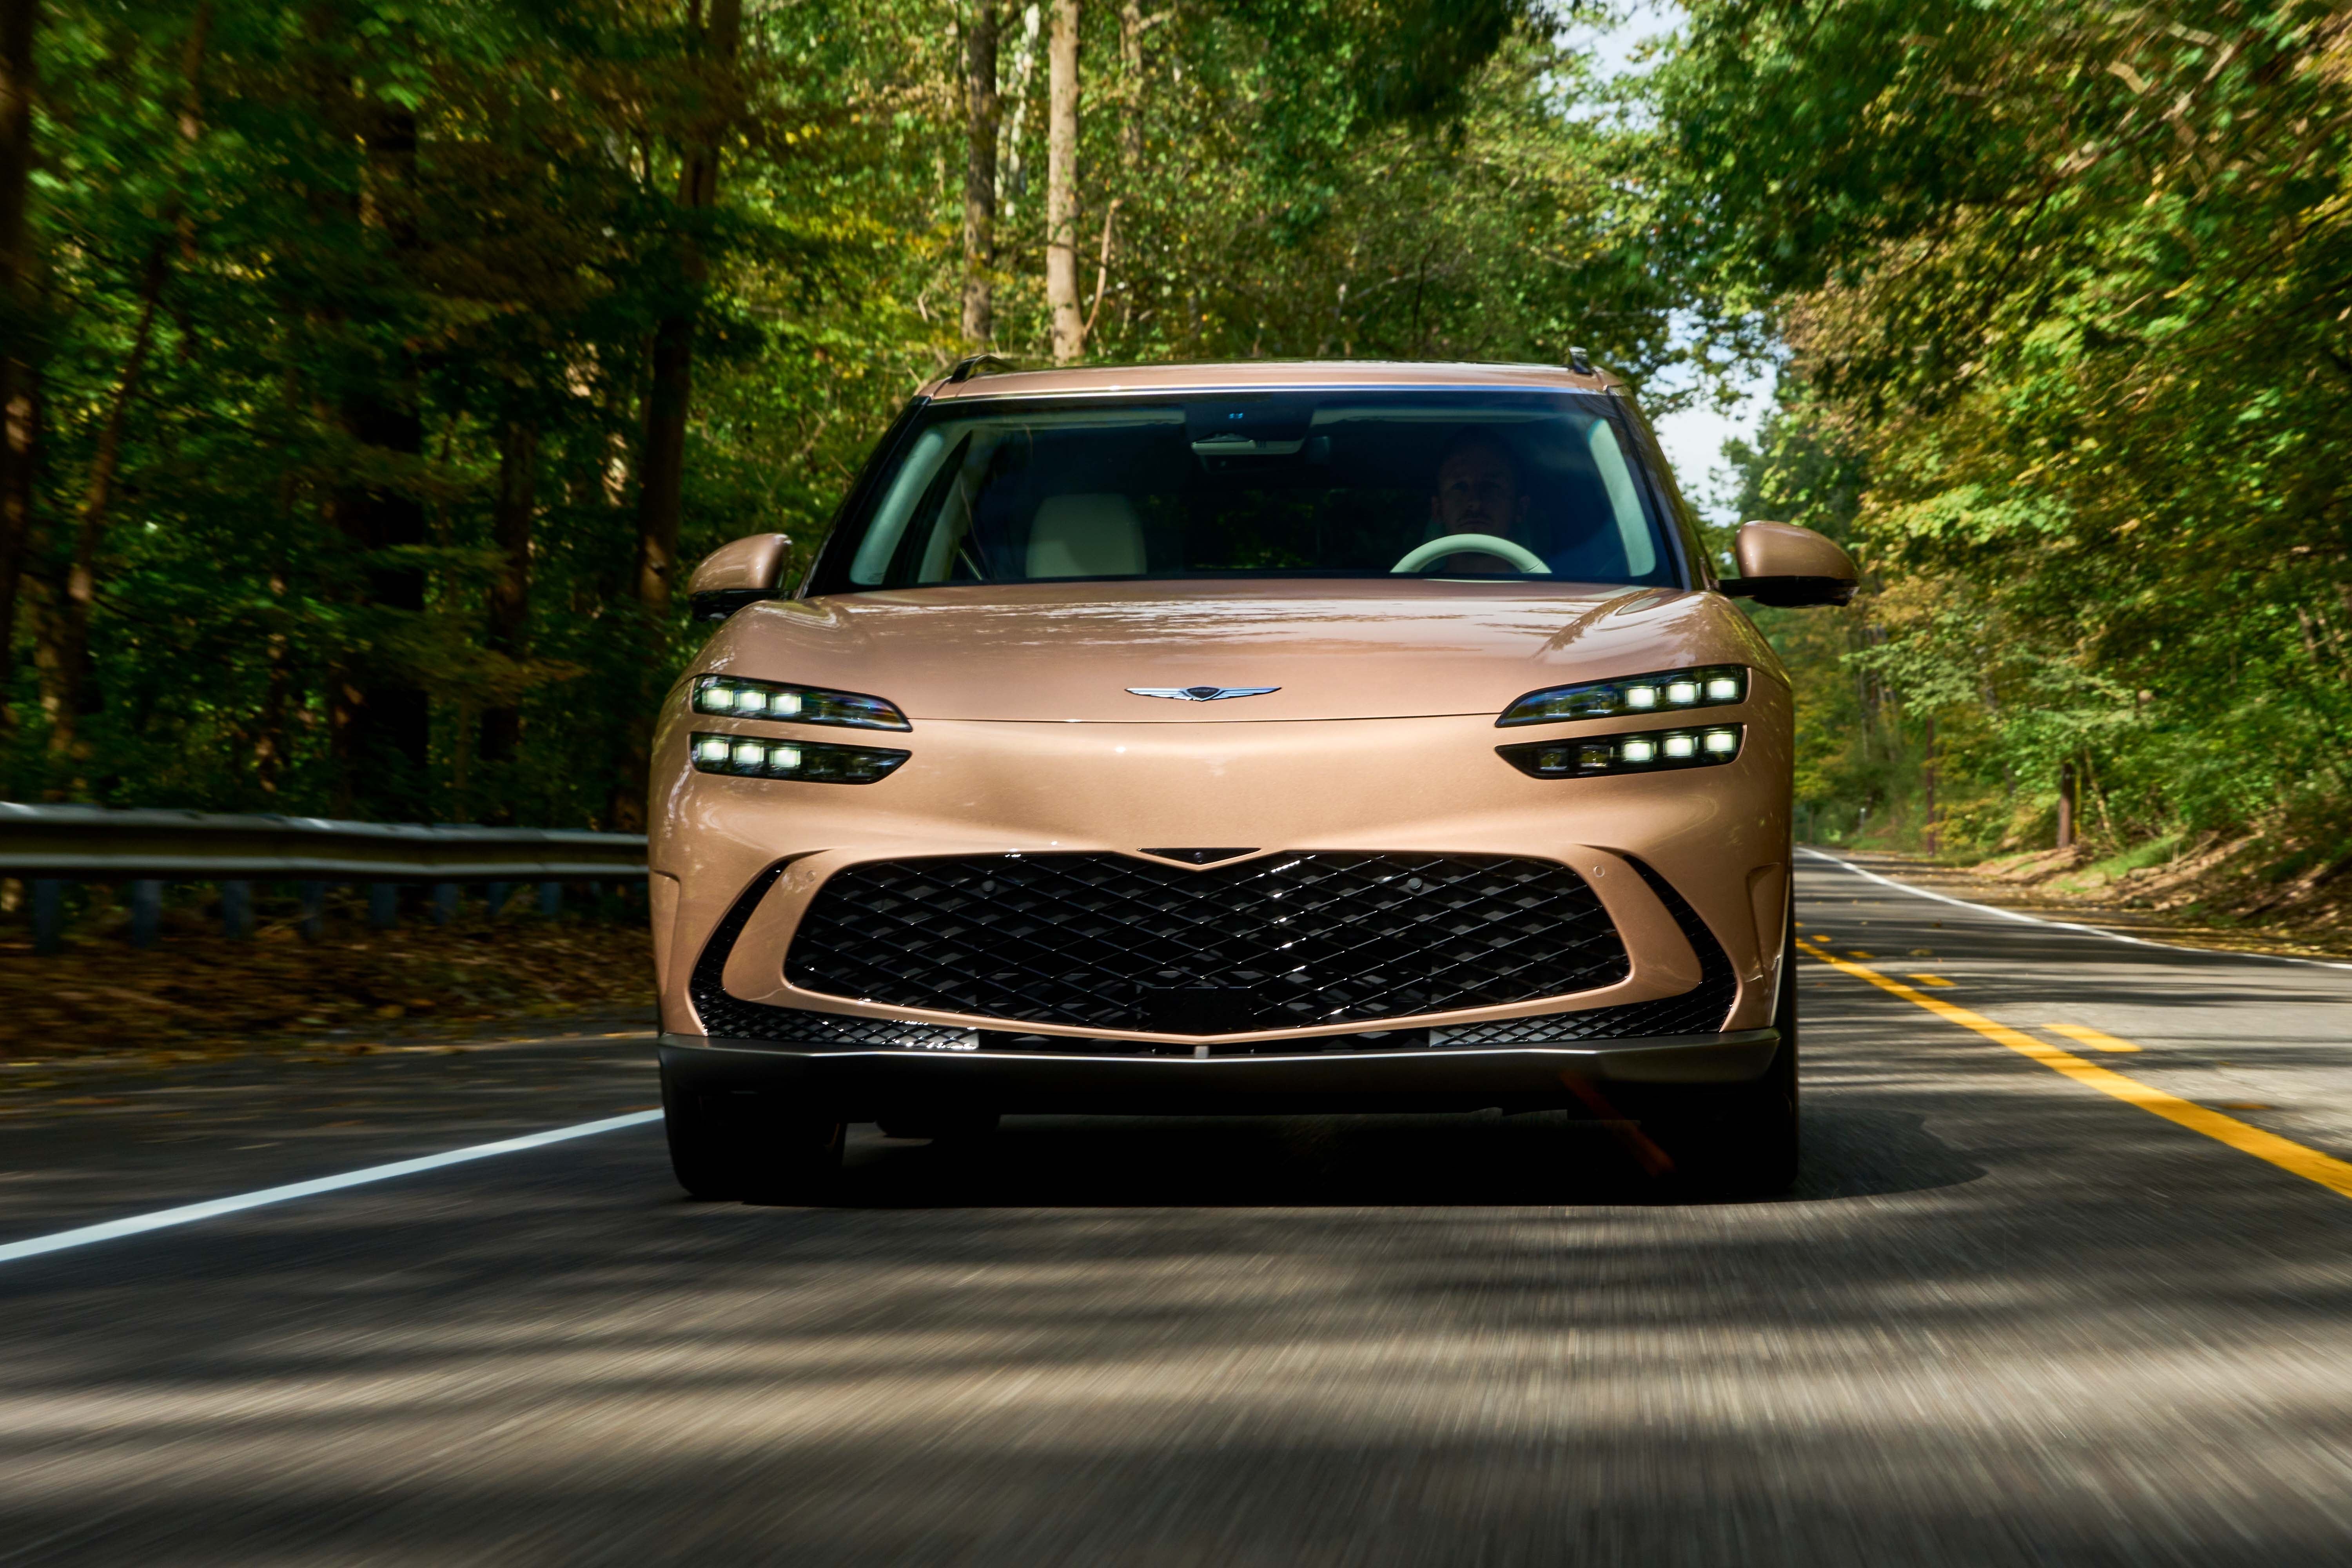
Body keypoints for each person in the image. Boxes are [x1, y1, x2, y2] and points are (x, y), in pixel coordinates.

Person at [1422, 428, 1535, 572]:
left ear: (1520, 509)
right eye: (1460, 487)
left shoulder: (1553, 587)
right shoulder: (1405, 587)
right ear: (1438, 509)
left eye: (1491, 486)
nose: (1475, 503)